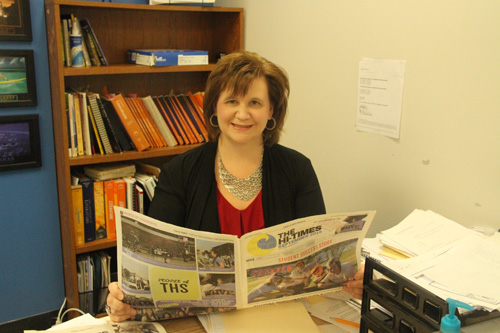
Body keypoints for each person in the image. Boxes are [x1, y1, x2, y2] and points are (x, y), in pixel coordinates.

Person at [106, 50, 366, 322]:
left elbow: (318, 254)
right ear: (215, 108)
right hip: (199, 322)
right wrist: (124, 300)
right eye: (232, 100)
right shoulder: (179, 173)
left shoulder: (297, 169)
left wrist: (350, 279)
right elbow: (150, 266)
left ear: (271, 110)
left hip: (280, 317)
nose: (242, 114)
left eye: (254, 102)